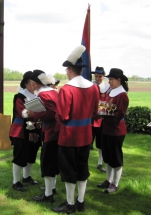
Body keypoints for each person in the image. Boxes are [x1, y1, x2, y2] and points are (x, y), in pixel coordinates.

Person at [53, 45, 99, 213]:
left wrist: (57, 117)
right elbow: (95, 111)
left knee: (68, 169)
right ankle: (81, 201)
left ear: (70, 70)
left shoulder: (66, 89)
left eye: (66, 69)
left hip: (69, 136)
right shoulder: (93, 87)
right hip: (86, 135)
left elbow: (63, 116)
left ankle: (70, 203)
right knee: (82, 168)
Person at [25, 70, 60, 203]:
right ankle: (52, 188)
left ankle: (48, 194)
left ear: (34, 83)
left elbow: (52, 114)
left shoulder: (44, 95)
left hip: (52, 132)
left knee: (48, 163)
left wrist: (34, 115)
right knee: (52, 162)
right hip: (55, 131)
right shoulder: (52, 91)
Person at [97, 68, 129, 193]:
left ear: (118, 80)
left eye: (111, 79)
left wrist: (105, 114)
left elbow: (120, 114)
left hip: (116, 130)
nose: (108, 82)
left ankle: (115, 183)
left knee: (115, 157)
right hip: (106, 128)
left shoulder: (122, 95)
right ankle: (108, 180)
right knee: (107, 156)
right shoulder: (111, 90)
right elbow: (105, 105)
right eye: (108, 79)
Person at [9, 71, 42, 192]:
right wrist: (39, 113)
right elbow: (22, 113)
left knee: (31, 155)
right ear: (28, 83)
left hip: (34, 130)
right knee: (19, 156)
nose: (37, 84)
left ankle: (26, 176)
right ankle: (15, 181)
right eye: (35, 82)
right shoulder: (20, 96)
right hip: (21, 131)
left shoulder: (37, 95)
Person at [90, 66, 110, 173]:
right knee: (87, 142)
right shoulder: (90, 86)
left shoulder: (107, 87)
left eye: (100, 76)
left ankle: (100, 163)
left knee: (101, 144)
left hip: (102, 119)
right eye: (96, 76)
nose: (97, 78)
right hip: (91, 119)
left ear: (103, 76)